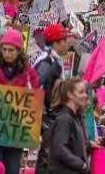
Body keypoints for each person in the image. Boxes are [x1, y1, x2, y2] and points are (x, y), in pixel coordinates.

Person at [0, 28, 40, 174]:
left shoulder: (28, 73)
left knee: (13, 169)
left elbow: (34, 101)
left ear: (19, 51)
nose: (6, 54)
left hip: (16, 132)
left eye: (11, 50)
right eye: (4, 49)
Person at [34, 23, 70, 174]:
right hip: (44, 118)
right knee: (46, 159)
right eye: (65, 40)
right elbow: (37, 86)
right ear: (56, 42)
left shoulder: (53, 60)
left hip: (47, 116)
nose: (67, 43)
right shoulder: (47, 62)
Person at [48, 78, 90, 174]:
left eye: (85, 92)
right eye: (81, 92)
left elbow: (72, 146)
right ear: (70, 95)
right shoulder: (65, 119)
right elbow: (60, 149)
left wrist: (89, 146)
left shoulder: (74, 118)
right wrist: (81, 165)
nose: (85, 95)